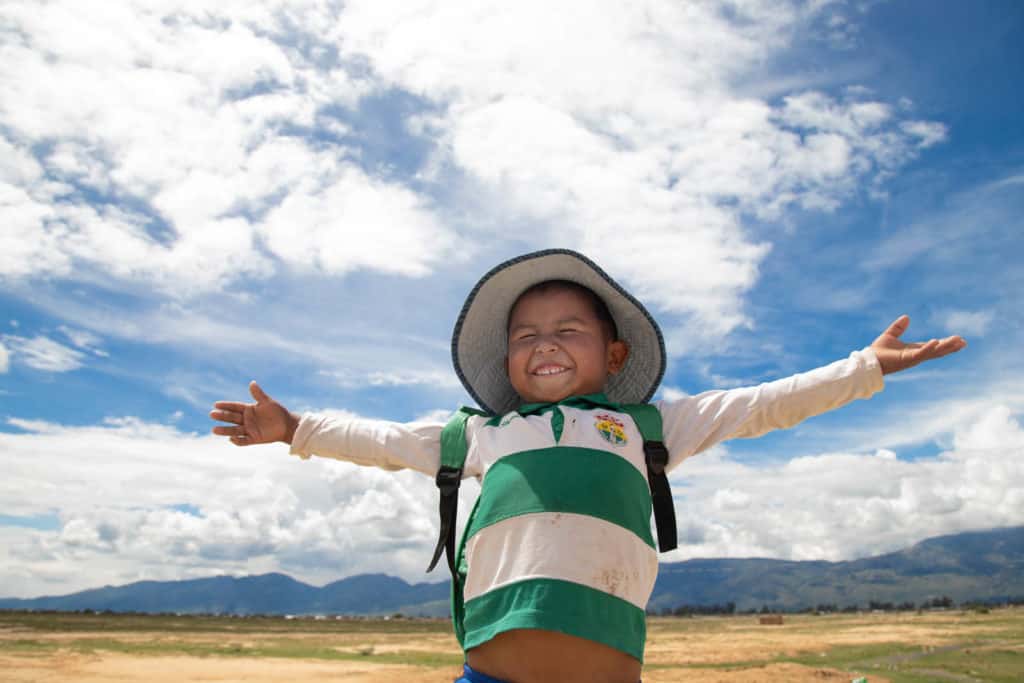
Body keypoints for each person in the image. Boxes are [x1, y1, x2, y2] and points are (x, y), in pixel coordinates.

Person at [210, 249, 966, 683]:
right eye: (526, 332)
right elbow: (380, 439)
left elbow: (763, 403)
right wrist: (296, 427)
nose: (544, 341)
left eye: (568, 328)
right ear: (506, 359)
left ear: (614, 354)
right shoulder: (483, 432)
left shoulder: (649, 426)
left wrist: (863, 367)